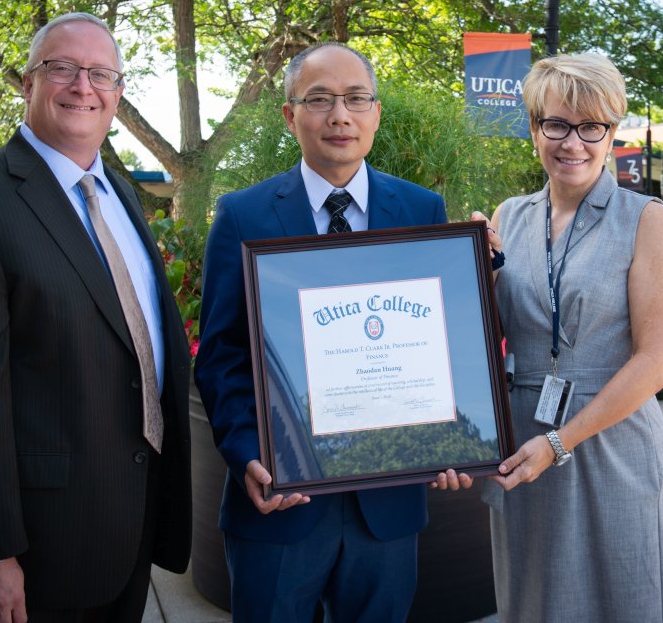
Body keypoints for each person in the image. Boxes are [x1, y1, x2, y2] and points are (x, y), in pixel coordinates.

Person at [0, 12, 192, 622]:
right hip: (33, 552)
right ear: (27, 82)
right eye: (62, 67)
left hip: (126, 527)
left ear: (118, 92)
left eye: (100, 73)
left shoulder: (120, 196)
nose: (82, 86)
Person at [194, 42, 470, 622]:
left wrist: (455, 440)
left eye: (355, 99)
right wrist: (247, 453)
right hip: (281, 500)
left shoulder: (422, 209)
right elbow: (221, 356)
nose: (339, 115)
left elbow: (444, 344)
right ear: (291, 116)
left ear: (375, 112)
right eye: (319, 100)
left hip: (387, 508)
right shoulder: (242, 216)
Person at [479, 52, 663, 622]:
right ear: (534, 128)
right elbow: (496, 333)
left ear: (612, 132)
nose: (574, 142)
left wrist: (561, 442)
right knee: (532, 599)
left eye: (591, 126)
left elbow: (658, 361)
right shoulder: (510, 217)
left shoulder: (646, 219)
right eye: (557, 124)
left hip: (608, 439)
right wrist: (473, 266)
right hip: (522, 439)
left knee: (621, 596)